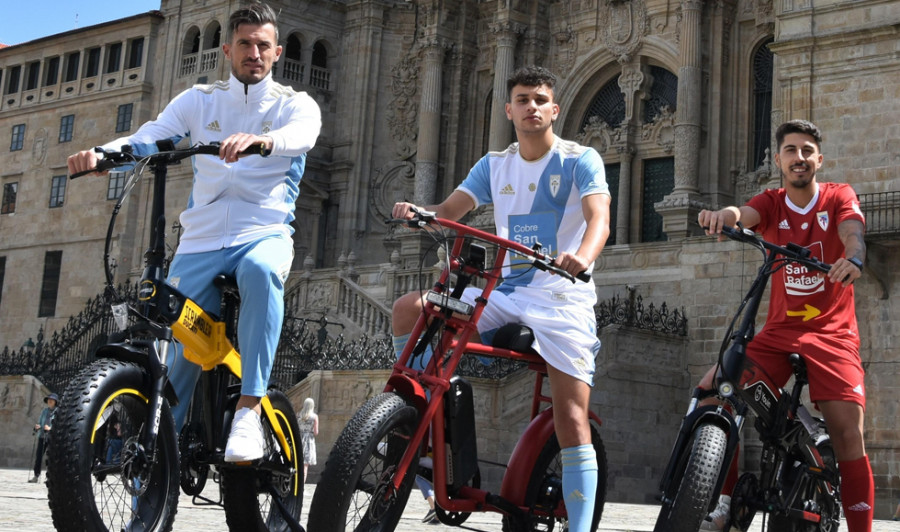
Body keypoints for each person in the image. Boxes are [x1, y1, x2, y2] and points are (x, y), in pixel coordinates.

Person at [67, 2, 321, 462]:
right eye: (245, 43)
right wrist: (102, 154)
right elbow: (153, 135)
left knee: (263, 274)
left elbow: (302, 135)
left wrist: (262, 141)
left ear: (277, 52)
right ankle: (159, 445)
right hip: (201, 239)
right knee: (178, 338)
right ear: (228, 49)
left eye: (263, 45)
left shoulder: (293, 105)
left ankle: (248, 408)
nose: (254, 53)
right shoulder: (199, 101)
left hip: (262, 231)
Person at [391, 65, 611, 532]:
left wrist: (582, 258)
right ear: (509, 109)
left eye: (539, 99)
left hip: (561, 298)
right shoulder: (495, 164)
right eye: (522, 99)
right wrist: (420, 213)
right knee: (408, 309)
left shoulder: (580, 159)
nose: (531, 107)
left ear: (555, 108)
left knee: (572, 417)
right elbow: (448, 214)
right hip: (506, 291)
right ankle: (416, 419)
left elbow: (599, 220)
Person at [696, 119, 872, 532]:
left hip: (833, 334)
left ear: (819, 159)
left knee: (849, 433)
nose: (799, 158)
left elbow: (854, 231)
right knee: (712, 392)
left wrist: (855, 258)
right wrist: (725, 216)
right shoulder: (773, 202)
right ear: (778, 159)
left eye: (807, 150)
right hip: (778, 334)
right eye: (791, 150)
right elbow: (745, 213)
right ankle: (724, 502)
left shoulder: (837, 196)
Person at [29, 392, 58, 483]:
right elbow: (40, 421)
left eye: (52, 400)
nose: (49, 401)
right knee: (38, 457)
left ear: (55, 402)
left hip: (52, 438)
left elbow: (59, 425)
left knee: (50, 458)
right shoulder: (44, 411)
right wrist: (37, 426)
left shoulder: (58, 412)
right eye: (49, 399)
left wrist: (50, 428)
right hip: (42, 436)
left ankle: (49, 478)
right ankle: (36, 476)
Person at [297, 397, 319, 481]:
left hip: (299, 439)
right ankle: (301, 487)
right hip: (308, 441)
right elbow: (316, 432)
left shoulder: (299, 414)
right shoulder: (314, 417)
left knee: (298, 465)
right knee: (305, 467)